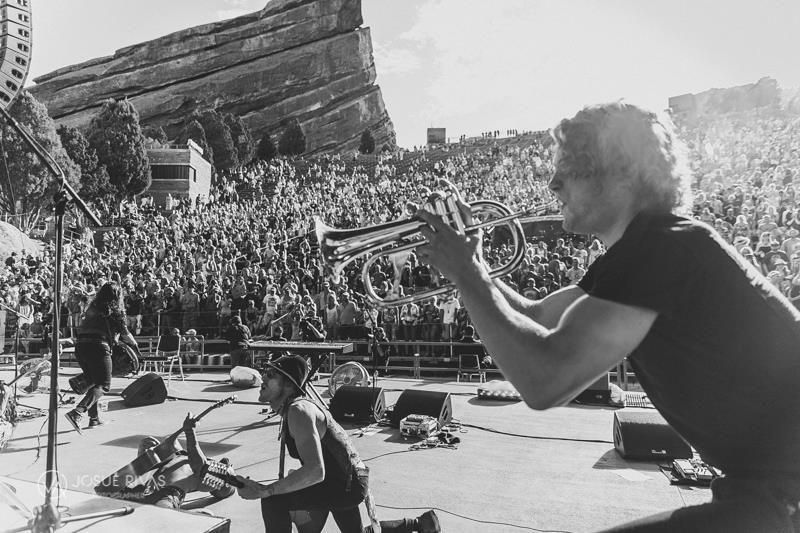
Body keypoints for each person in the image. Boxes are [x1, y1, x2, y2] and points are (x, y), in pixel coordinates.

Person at [415, 102, 800, 532]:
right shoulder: (649, 248)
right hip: (769, 488)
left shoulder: (659, 248)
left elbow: (544, 380)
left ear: (622, 175)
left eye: (568, 169)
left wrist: (467, 274)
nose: (552, 183)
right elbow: (536, 319)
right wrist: (474, 265)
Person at [235, 354, 440, 533]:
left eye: (271, 374)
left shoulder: (298, 411)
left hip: (344, 484)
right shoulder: (294, 408)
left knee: (273, 501)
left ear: (288, 385)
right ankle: (420, 524)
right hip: (345, 478)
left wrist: (267, 490)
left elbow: (315, 470)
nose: (263, 377)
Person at [95, 413, 235, 508]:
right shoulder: (183, 453)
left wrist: (190, 432)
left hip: (168, 493)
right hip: (146, 487)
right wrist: (154, 451)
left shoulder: (213, 473)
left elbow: (200, 468)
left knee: (163, 508)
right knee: (148, 442)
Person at [65, 282, 140, 433]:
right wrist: (135, 346)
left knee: (93, 382)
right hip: (98, 347)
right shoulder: (115, 311)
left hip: (81, 347)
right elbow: (125, 334)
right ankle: (77, 412)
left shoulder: (91, 308)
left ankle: (94, 418)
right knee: (104, 385)